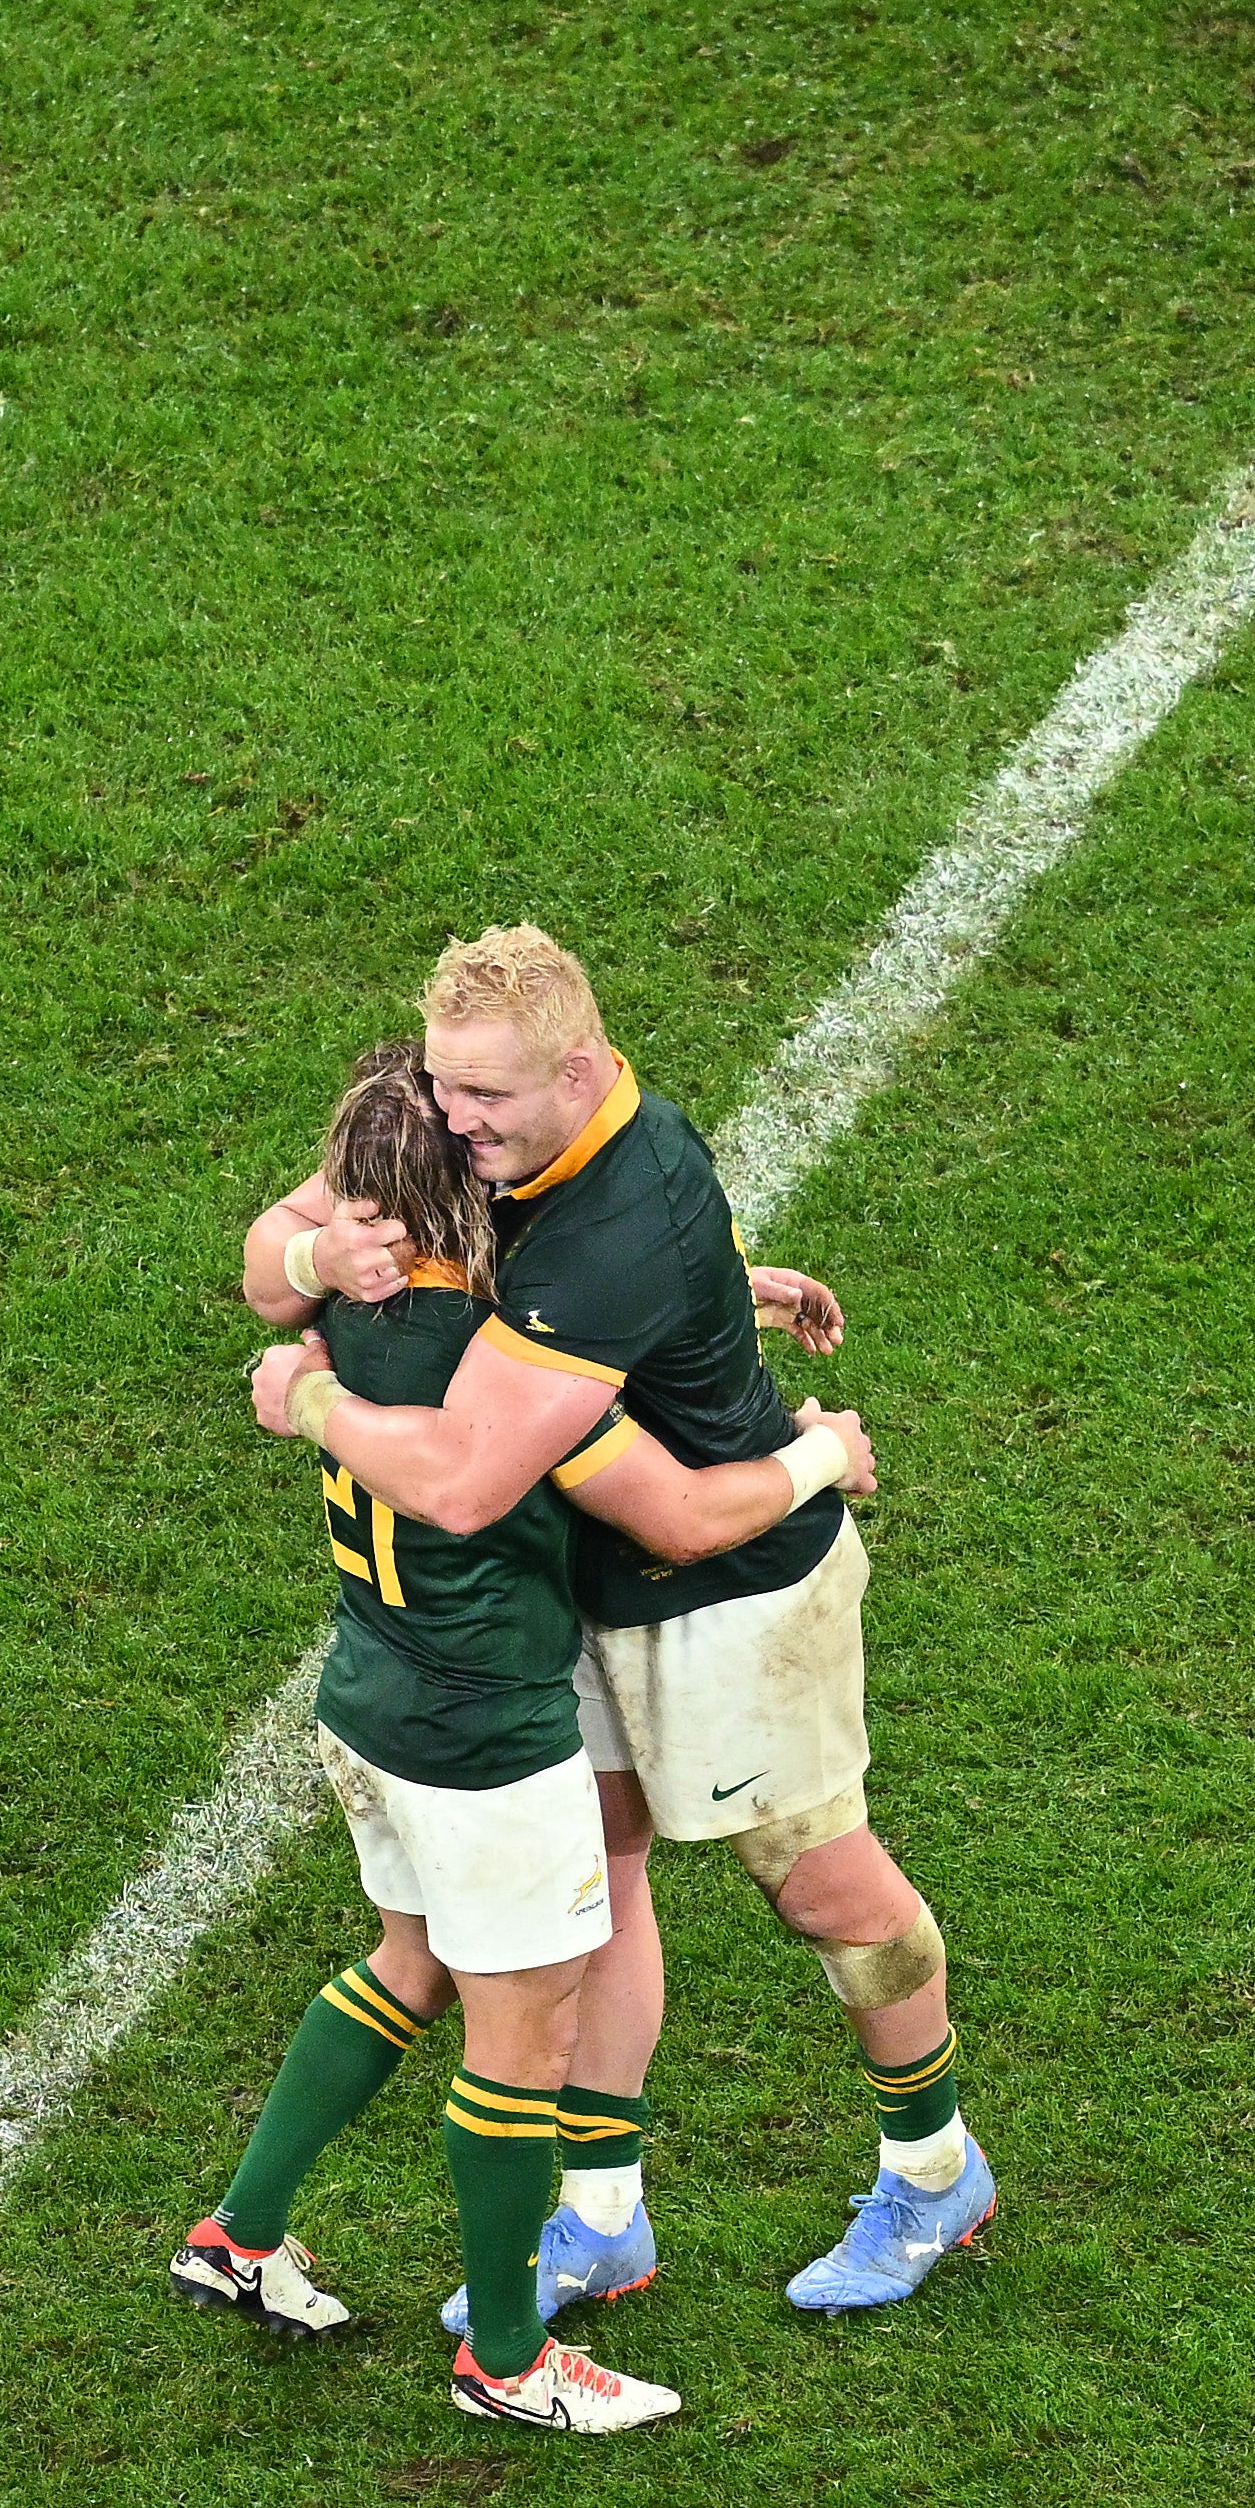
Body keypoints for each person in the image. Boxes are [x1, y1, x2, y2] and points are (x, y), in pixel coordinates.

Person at [240, 925, 989, 2323]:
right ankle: (599, 2215)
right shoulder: (482, 1121)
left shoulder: (611, 1227)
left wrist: (310, 1393)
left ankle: (933, 2165)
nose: (453, 1127)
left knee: (821, 1885)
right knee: (599, 1885)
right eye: (442, 1089)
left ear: (577, 1070)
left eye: (486, 1103)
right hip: (581, 1583)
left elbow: (500, 1486)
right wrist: (322, 1248)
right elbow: (266, 1254)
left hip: (729, 1584)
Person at [183, 1043, 879, 2433]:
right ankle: (507, 2362)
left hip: (367, 1701)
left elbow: (310, 1270)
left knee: (408, 1963)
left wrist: (721, 1290)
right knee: (518, 2034)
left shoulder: (346, 1324)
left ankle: (239, 2237)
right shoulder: (499, 1376)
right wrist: (818, 1456)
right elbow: (678, 1515)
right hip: (488, 1746)